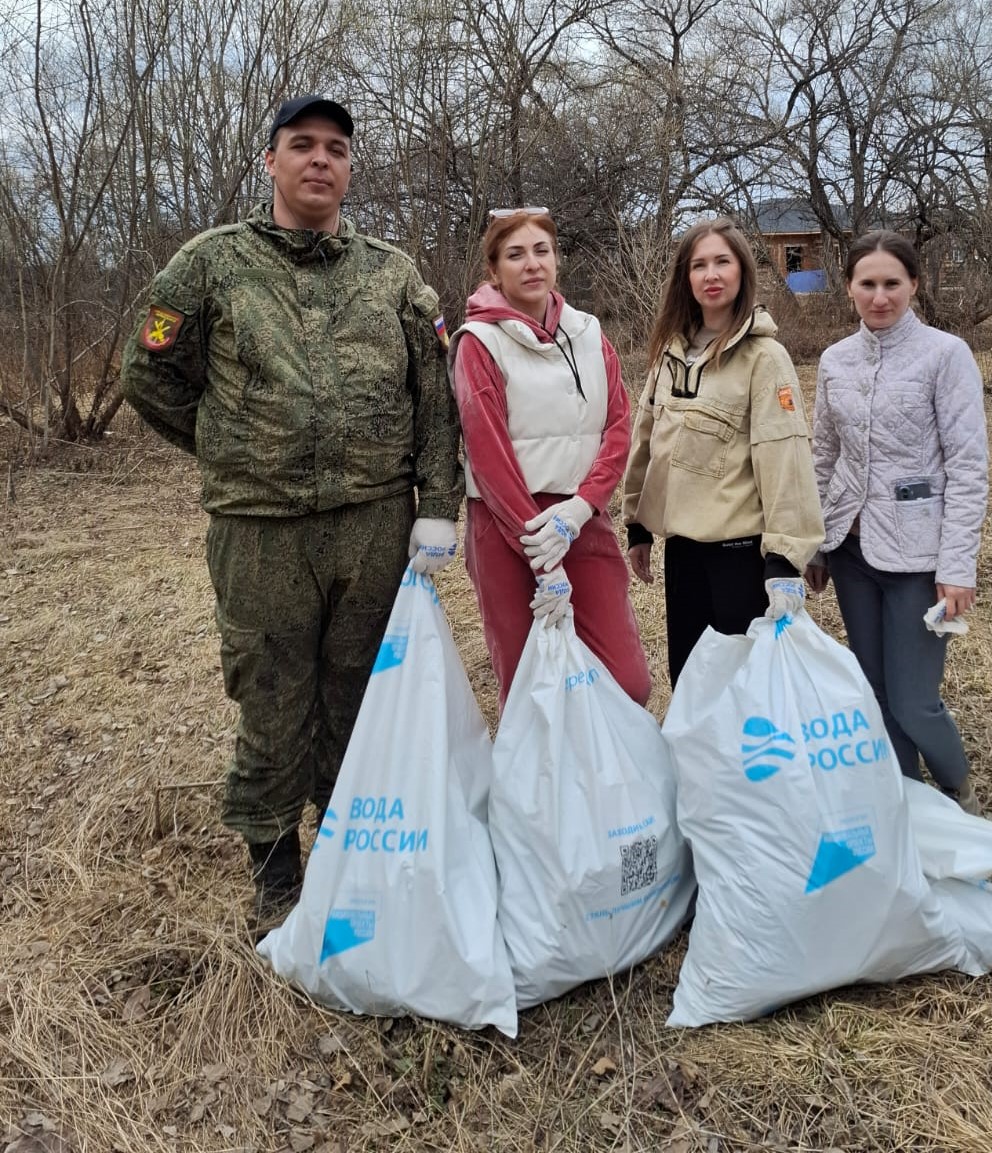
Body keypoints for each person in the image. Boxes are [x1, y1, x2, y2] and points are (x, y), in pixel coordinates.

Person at [121, 95, 463, 925]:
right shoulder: (209, 265)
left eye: (336, 148)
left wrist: (439, 504)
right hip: (260, 531)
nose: (320, 160)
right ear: (269, 161)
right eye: (301, 145)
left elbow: (434, 397)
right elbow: (149, 371)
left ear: (350, 168)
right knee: (272, 697)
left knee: (361, 694)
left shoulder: (392, 273)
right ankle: (278, 881)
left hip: (375, 525)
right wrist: (234, 447)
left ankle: (355, 854)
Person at [804, 229, 988, 814]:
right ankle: (908, 807)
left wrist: (958, 567)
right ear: (850, 287)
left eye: (892, 283)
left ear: (913, 284)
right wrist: (814, 545)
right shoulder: (834, 360)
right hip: (853, 554)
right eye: (867, 284)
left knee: (915, 701)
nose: (879, 297)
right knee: (875, 692)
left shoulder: (945, 355)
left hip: (918, 560)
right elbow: (822, 457)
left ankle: (958, 790)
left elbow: (967, 467)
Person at [450, 207, 650, 710]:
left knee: (628, 682)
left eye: (542, 250)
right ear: (494, 271)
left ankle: (604, 778)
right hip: (506, 528)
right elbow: (489, 458)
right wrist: (542, 558)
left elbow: (618, 426)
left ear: (557, 259)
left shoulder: (588, 333)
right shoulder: (478, 344)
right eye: (515, 255)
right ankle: (543, 785)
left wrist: (583, 508)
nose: (532, 263)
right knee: (530, 688)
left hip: (580, 518)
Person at [623, 217, 824, 686]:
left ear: (742, 272)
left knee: (744, 688)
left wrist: (784, 560)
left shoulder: (764, 359)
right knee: (691, 681)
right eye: (699, 265)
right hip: (684, 553)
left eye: (722, 262)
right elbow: (646, 439)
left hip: (740, 555)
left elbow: (785, 458)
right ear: (685, 278)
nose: (711, 275)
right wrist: (637, 523)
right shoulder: (670, 354)